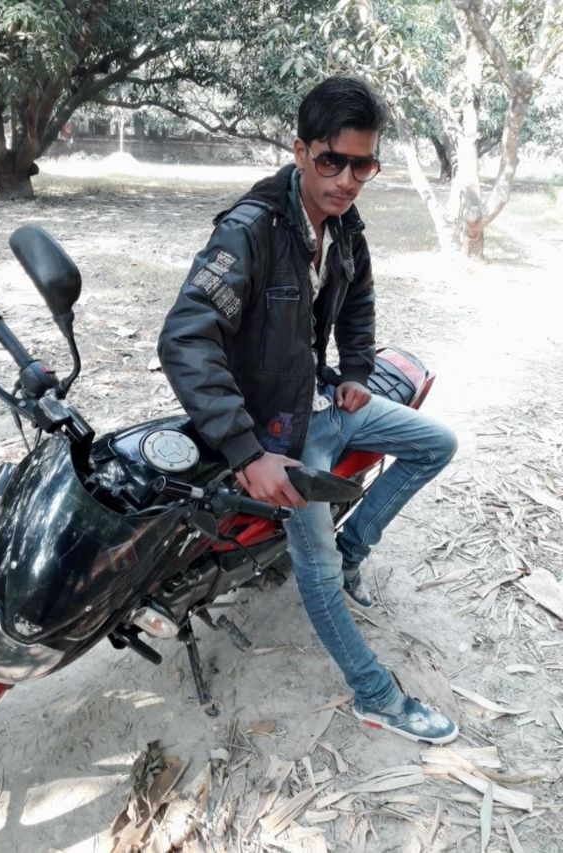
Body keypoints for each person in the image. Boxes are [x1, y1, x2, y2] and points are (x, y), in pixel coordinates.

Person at [158, 76, 458, 744]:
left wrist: (354, 372)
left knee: (436, 443)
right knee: (314, 572)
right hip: (280, 432)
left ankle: (354, 547)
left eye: (363, 165)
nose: (347, 181)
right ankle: (376, 695)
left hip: (326, 400)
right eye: (332, 161)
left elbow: (359, 303)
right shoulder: (249, 231)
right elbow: (185, 338)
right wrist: (247, 450)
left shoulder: (345, 228)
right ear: (300, 151)